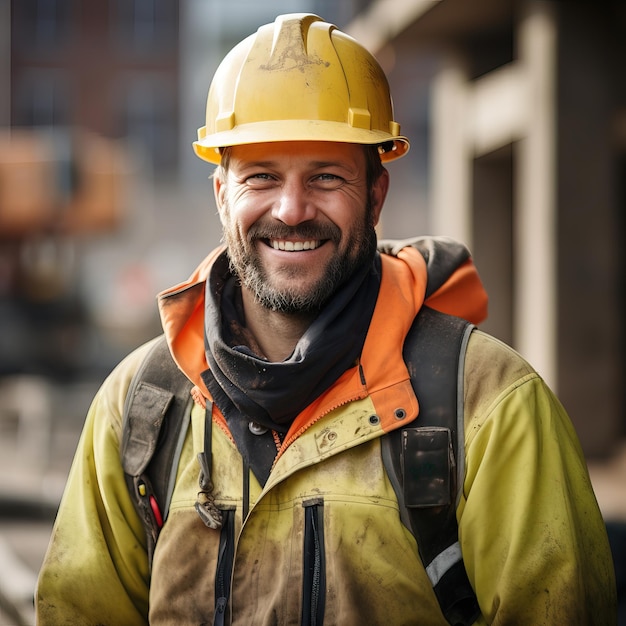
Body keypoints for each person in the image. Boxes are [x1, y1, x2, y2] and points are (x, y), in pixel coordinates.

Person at [36, 12, 616, 626]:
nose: (291, 209)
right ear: (221, 194)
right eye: (261, 176)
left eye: (326, 177)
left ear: (376, 195)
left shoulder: (489, 403)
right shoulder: (140, 407)